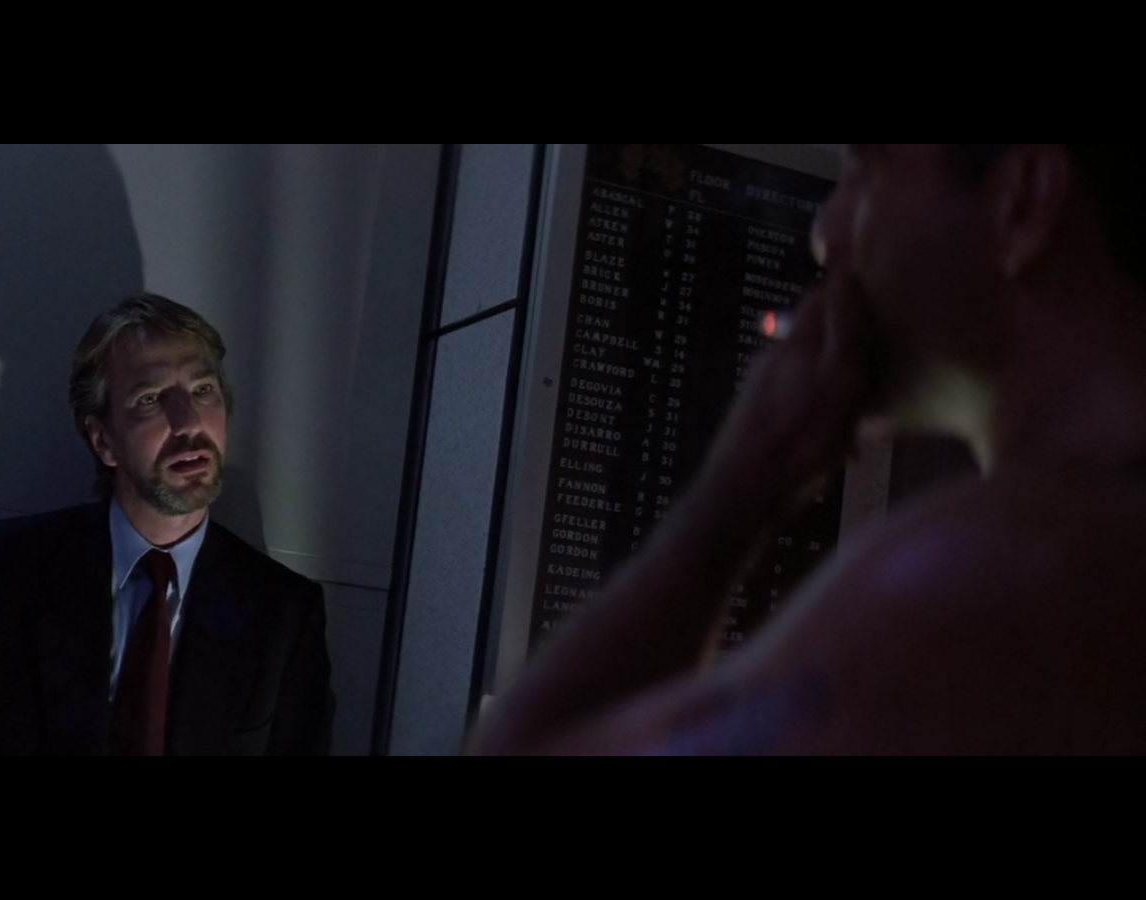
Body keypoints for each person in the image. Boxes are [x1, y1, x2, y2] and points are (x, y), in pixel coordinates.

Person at [470, 144, 1146, 755]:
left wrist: (738, 489)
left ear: (1022, 201)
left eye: (865, 173)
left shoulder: (982, 578)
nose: (826, 234)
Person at [0, 293, 334, 755]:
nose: (189, 422)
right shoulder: (4, 573)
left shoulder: (284, 612)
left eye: (202, 390)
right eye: (150, 399)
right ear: (103, 440)